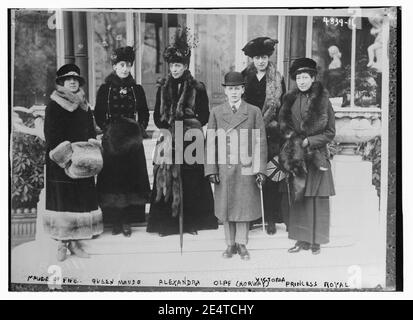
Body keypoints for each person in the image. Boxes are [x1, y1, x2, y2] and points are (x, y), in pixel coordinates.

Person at [146, 27, 218, 236]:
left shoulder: (197, 88)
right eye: (172, 65)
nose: (175, 69)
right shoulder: (163, 87)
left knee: (191, 179)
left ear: (185, 65)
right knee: (166, 177)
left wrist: (189, 121)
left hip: (191, 139)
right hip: (169, 138)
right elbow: (157, 118)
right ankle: (166, 225)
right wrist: (167, 126)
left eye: (178, 65)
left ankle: (192, 223)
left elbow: (204, 115)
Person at [44, 63, 103, 261]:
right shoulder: (54, 105)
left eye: (75, 79)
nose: (72, 82)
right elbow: (52, 135)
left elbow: (91, 131)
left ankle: (76, 243)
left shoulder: (84, 105)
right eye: (67, 79)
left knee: (79, 203)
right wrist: (67, 159)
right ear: (61, 83)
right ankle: (62, 244)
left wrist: (91, 152)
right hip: (61, 163)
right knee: (64, 203)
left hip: (82, 162)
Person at [205, 71, 267, 260]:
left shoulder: (254, 111)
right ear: (225, 91)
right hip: (224, 168)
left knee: (243, 206)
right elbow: (210, 143)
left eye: (237, 88)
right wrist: (211, 170)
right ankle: (229, 244)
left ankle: (242, 244)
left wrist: (260, 169)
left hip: (246, 167)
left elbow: (261, 142)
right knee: (226, 207)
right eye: (230, 89)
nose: (233, 92)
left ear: (242, 89)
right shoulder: (216, 112)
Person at [278, 57, 336, 255]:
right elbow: (284, 127)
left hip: (316, 156)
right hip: (297, 156)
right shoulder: (289, 99)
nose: (301, 81)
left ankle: (316, 241)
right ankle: (300, 240)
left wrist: (309, 142)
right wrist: (294, 142)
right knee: (299, 198)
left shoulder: (323, 101)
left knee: (316, 199)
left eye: (305, 77)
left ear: (313, 78)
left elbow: (330, 132)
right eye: (298, 77)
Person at [94, 46, 151, 237]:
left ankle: (127, 220)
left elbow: (143, 113)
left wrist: (138, 130)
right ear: (114, 66)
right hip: (112, 143)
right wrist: (108, 131)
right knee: (113, 181)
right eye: (121, 65)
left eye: (128, 65)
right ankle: (115, 220)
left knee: (130, 180)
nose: (125, 69)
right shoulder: (105, 89)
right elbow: (99, 114)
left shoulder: (137, 89)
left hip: (132, 143)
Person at [241, 37, 286, 235]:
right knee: (250, 174)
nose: (261, 61)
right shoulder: (244, 77)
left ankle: (271, 218)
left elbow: (282, 106)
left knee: (271, 173)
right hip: (249, 132)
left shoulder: (277, 78)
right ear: (252, 58)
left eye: (265, 57)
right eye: (258, 57)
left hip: (271, 133)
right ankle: (253, 216)